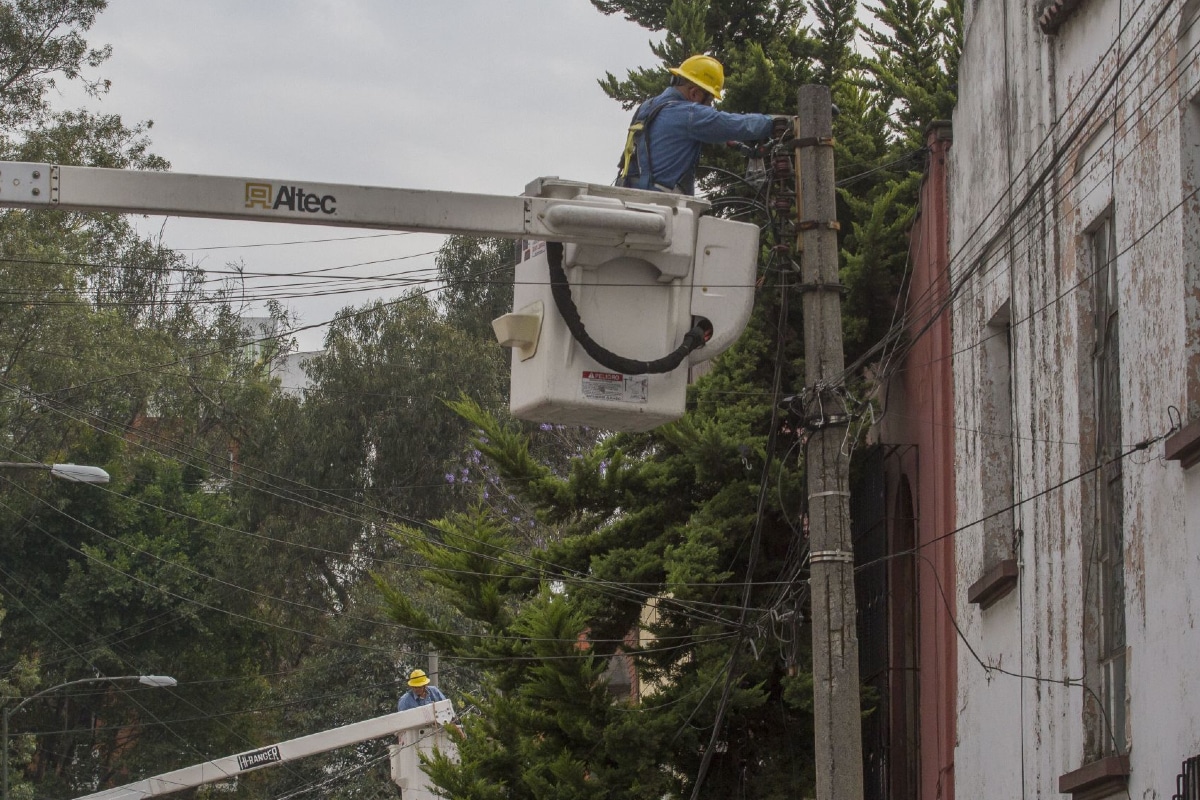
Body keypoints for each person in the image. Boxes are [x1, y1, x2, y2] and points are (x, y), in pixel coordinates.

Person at [617, 54, 783, 195]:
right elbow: (738, 124)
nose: (710, 107)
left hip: (631, 196)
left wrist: (731, 143)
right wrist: (777, 123)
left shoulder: (648, 106)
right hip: (661, 205)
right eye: (709, 100)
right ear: (695, 93)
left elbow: (666, 140)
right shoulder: (689, 114)